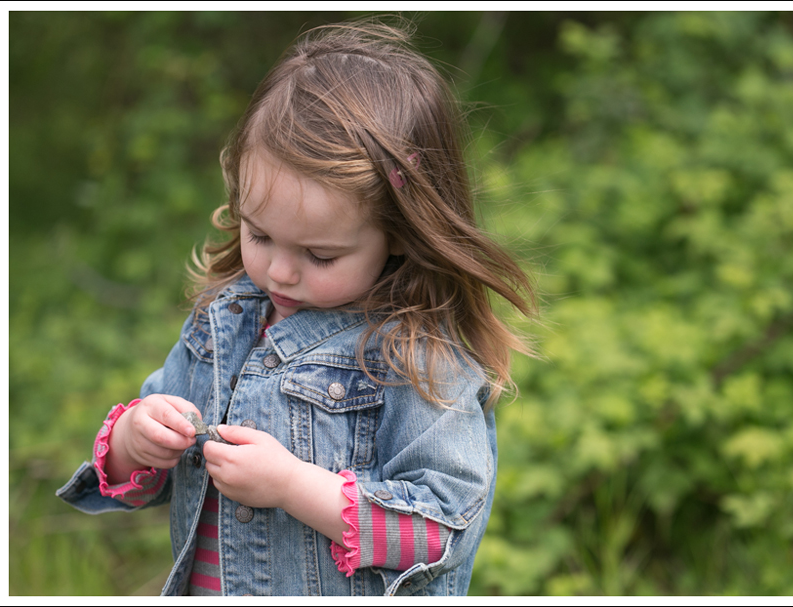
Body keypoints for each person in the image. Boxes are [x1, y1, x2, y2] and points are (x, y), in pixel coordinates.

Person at [57, 19, 535, 596]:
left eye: (319, 254)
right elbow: (150, 476)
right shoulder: (224, 323)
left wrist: (293, 486)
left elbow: (443, 531)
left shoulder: (418, 357)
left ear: (402, 232)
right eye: (259, 235)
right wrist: (136, 441)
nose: (279, 271)